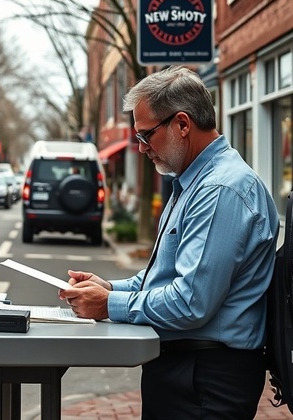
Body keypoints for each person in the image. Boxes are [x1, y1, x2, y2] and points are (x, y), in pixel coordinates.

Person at [59, 65, 279, 419]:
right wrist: (109, 286)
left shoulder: (219, 190)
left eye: (146, 135)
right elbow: (166, 278)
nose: (141, 148)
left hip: (206, 375)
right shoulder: (194, 183)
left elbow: (190, 301)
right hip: (191, 369)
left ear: (181, 124)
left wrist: (109, 305)